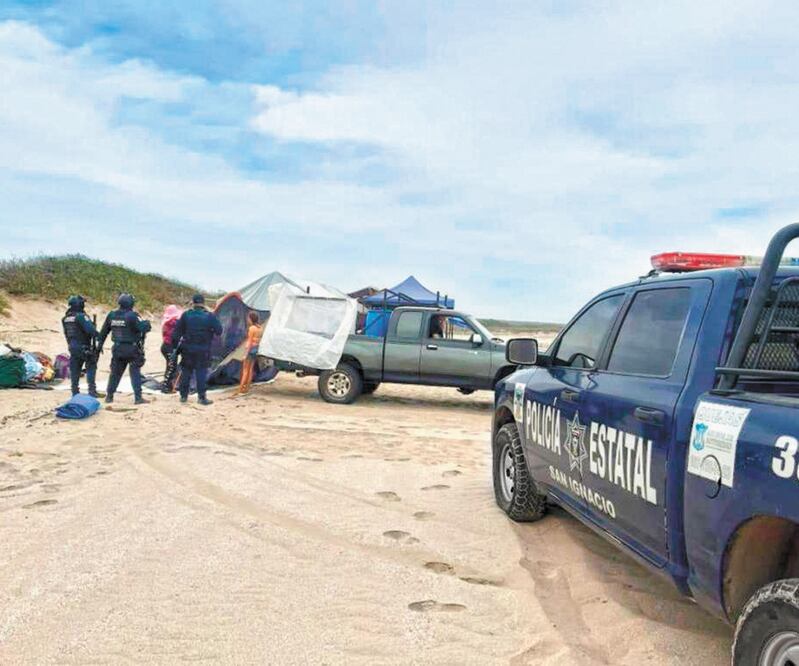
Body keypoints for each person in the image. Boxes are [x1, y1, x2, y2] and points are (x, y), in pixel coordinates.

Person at [98, 293, 152, 405]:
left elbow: (103, 332)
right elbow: (143, 328)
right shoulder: (132, 316)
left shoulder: (112, 315)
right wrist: (147, 323)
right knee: (135, 373)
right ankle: (138, 398)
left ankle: (109, 396)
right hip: (131, 348)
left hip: (117, 348)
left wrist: (99, 346)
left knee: (115, 373)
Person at [172, 294, 222, 406]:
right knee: (201, 373)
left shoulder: (186, 315)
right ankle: (201, 397)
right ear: (203, 303)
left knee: (186, 372)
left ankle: (183, 396)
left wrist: (175, 348)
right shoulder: (209, 316)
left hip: (187, 349)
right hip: (203, 350)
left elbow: (176, 334)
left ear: (193, 303)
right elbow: (219, 331)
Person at [61, 295, 99, 397]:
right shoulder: (81, 316)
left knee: (75, 369)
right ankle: (92, 391)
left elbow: (66, 334)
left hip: (72, 346)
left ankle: (75, 391)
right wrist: (98, 335)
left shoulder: (65, 318)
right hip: (83, 346)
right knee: (91, 365)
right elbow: (91, 331)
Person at [237, 312, 263, 395]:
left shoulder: (252, 328)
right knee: (250, 370)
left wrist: (245, 354)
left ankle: (241, 389)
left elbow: (250, 341)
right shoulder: (260, 328)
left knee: (245, 370)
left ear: (251, 319)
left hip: (251, 349)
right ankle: (247, 388)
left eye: (248, 318)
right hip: (256, 349)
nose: (247, 320)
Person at [160, 305, 182, 392]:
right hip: (169, 347)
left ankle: (168, 385)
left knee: (170, 366)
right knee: (171, 367)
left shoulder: (166, 322)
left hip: (166, 347)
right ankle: (166, 387)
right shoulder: (173, 323)